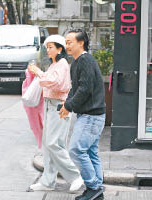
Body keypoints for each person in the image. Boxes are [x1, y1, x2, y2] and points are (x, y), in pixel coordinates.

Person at [28, 34, 83, 191]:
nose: (48, 50)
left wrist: (38, 72)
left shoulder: (63, 64)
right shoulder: (54, 65)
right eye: (47, 47)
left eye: (51, 47)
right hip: (50, 106)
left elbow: (56, 83)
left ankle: (74, 176)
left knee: (53, 143)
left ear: (60, 49)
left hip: (59, 106)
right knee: (48, 145)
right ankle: (48, 182)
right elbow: (48, 82)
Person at [60, 29, 106, 200]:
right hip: (89, 115)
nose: (67, 45)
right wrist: (66, 105)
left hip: (91, 116)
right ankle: (96, 190)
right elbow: (75, 87)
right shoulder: (78, 62)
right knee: (91, 152)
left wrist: (69, 105)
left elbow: (85, 89)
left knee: (76, 150)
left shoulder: (85, 60)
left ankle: (94, 187)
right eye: (66, 42)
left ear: (81, 43)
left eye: (70, 42)